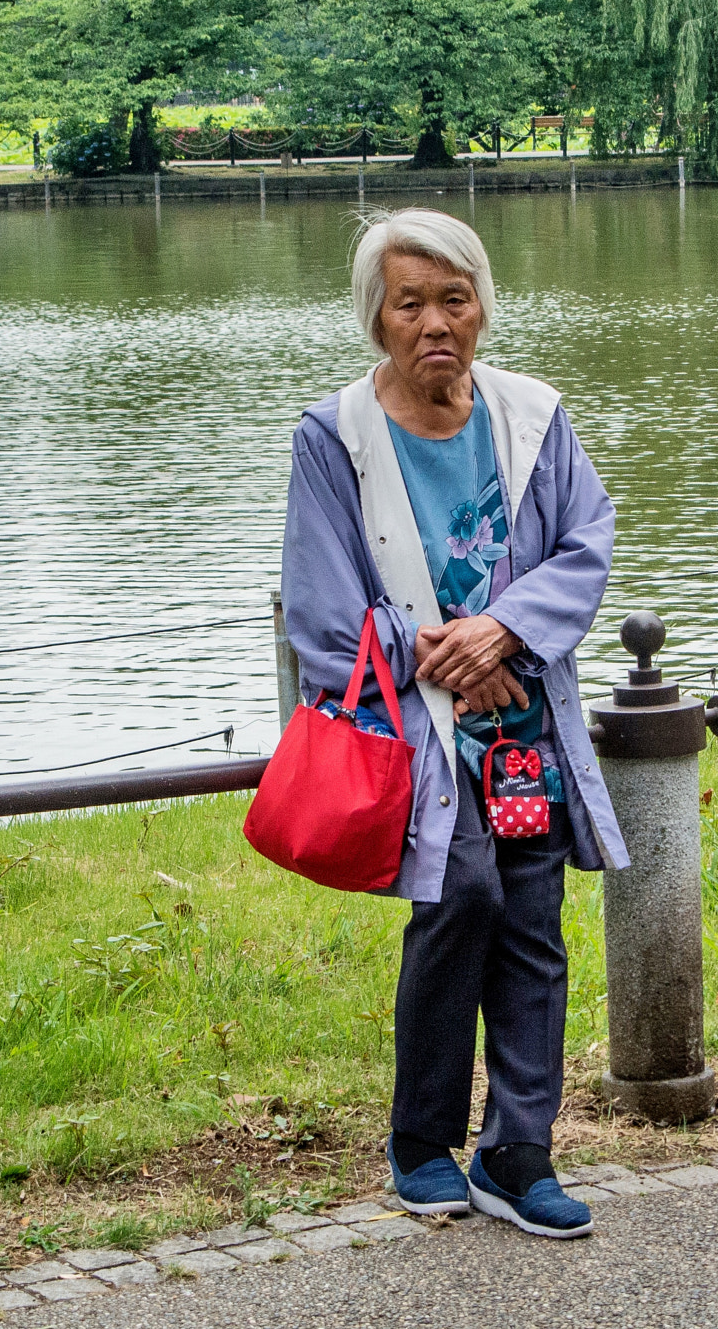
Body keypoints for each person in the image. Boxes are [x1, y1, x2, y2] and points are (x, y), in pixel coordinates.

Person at [279, 207, 627, 1239]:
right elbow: (320, 607)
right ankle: (420, 1142)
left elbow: (584, 542)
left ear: (481, 309)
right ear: (375, 320)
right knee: (458, 893)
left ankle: (518, 1153)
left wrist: (503, 634)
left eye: (453, 298)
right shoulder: (331, 437)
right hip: (414, 731)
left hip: (521, 717)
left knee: (529, 919)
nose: (434, 322)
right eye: (409, 302)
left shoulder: (532, 416)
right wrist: (445, 662)